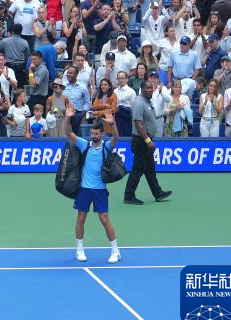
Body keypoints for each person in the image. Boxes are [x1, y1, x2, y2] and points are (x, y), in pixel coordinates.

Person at [62, 106, 122, 264]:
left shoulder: (106, 147)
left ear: (102, 134)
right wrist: (67, 118)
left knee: (104, 219)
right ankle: (79, 250)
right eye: (92, 133)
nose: (94, 136)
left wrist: (112, 124)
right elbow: (69, 133)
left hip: (100, 190)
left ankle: (115, 251)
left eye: (96, 133)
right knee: (81, 218)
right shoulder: (84, 145)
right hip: (84, 189)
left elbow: (116, 138)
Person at [125, 78, 172, 205]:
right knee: (137, 169)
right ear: (142, 89)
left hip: (146, 141)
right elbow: (138, 123)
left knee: (150, 169)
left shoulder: (147, 101)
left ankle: (158, 193)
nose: (150, 90)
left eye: (151, 88)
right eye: (148, 88)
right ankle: (128, 196)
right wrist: (148, 141)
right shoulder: (139, 103)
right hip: (141, 141)